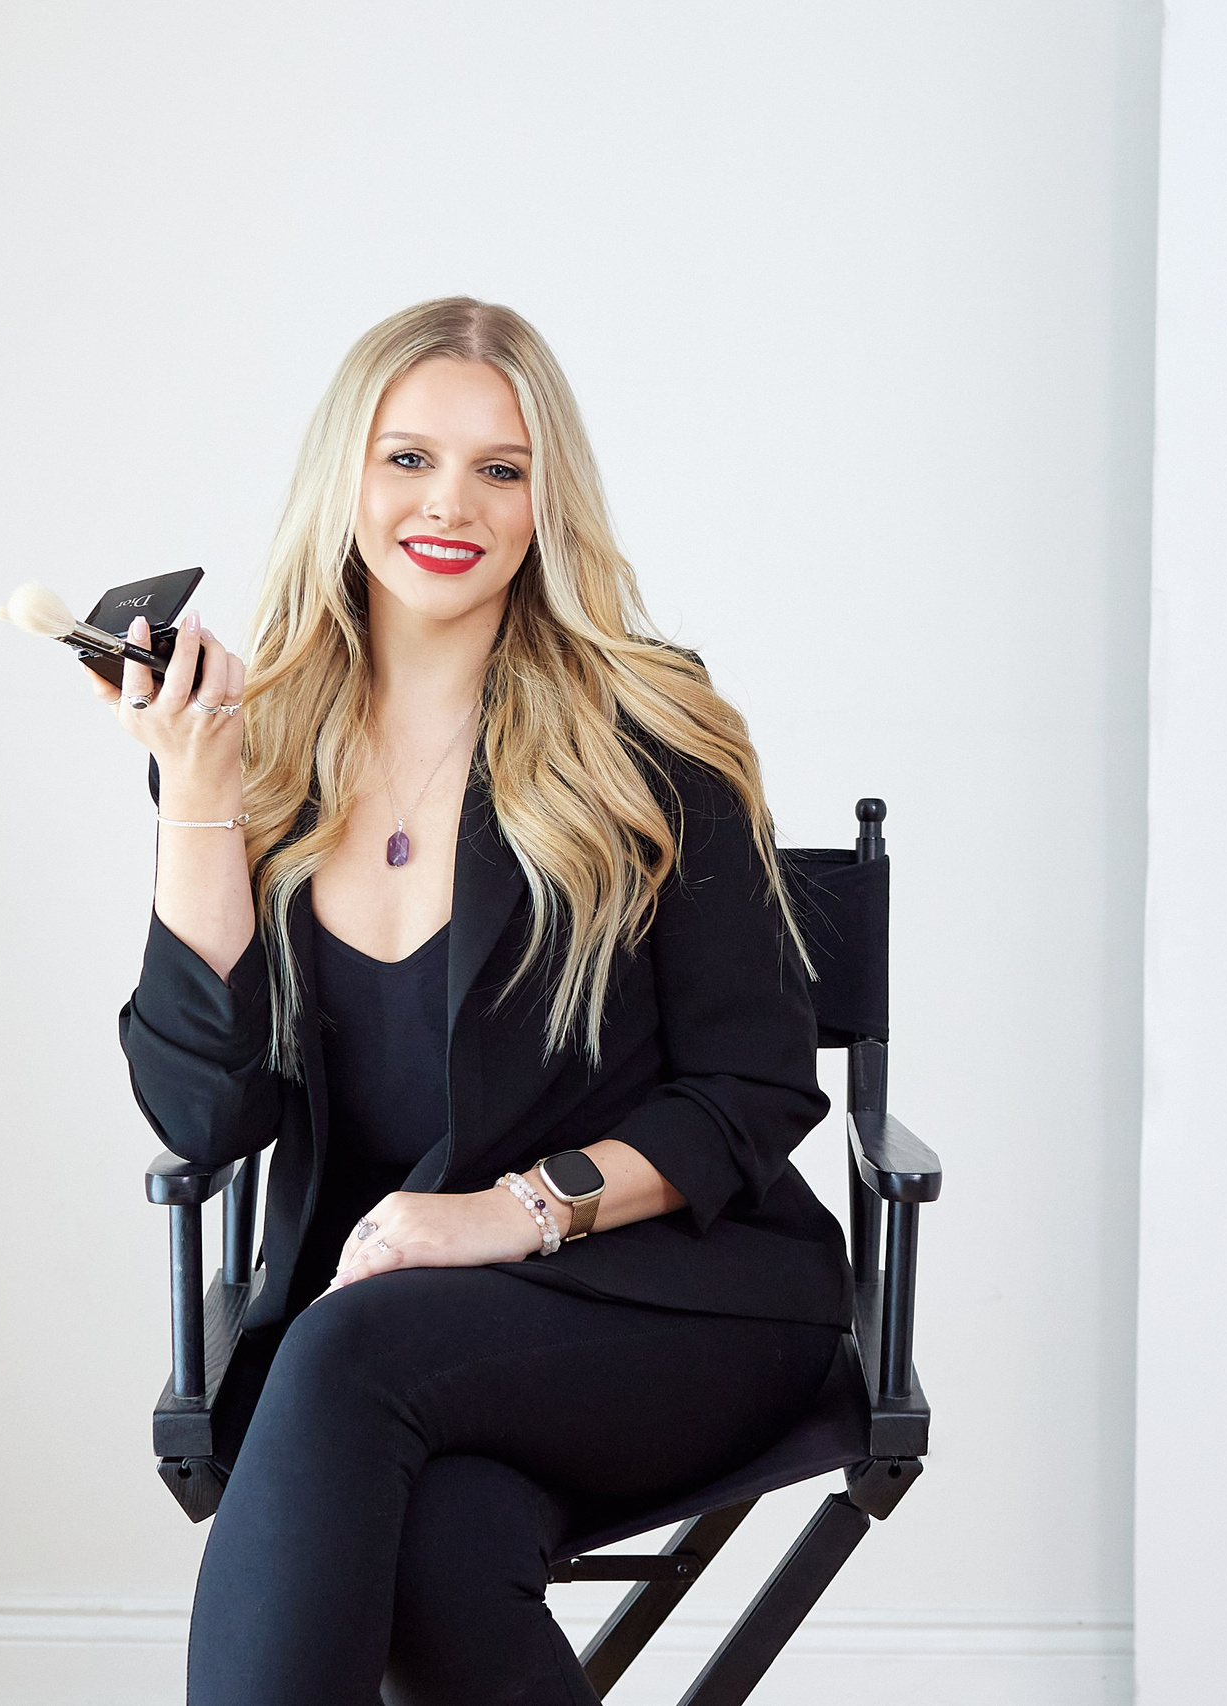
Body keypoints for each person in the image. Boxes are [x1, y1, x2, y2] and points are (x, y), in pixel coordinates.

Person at [93, 297, 851, 1704]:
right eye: (409, 459)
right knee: (441, 1549)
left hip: (678, 1297)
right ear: (346, 479)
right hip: (400, 1338)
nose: (452, 503)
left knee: (345, 1357)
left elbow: (756, 1088)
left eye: (501, 468)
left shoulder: (653, 738)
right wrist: (197, 802)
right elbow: (204, 1109)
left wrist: (509, 1211)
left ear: (545, 501)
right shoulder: (254, 751)